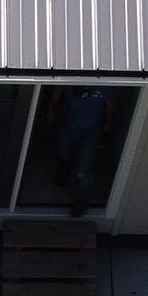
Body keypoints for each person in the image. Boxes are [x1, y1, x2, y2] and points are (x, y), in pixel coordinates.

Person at [50, 85, 115, 217]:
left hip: (92, 129)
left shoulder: (106, 85)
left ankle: (81, 199)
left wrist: (107, 125)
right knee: (64, 149)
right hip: (69, 123)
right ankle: (64, 168)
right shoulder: (73, 74)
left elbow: (109, 104)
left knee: (84, 164)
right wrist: (51, 107)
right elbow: (59, 88)